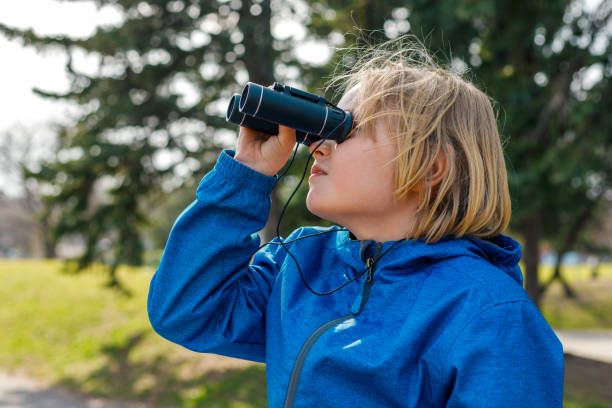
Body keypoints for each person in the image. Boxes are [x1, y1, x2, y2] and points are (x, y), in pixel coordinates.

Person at [147, 36, 564, 407]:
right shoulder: (299, 267)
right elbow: (186, 311)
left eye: (346, 130)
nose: (319, 147)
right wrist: (248, 174)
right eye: (323, 129)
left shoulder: (490, 316)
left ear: (431, 168)